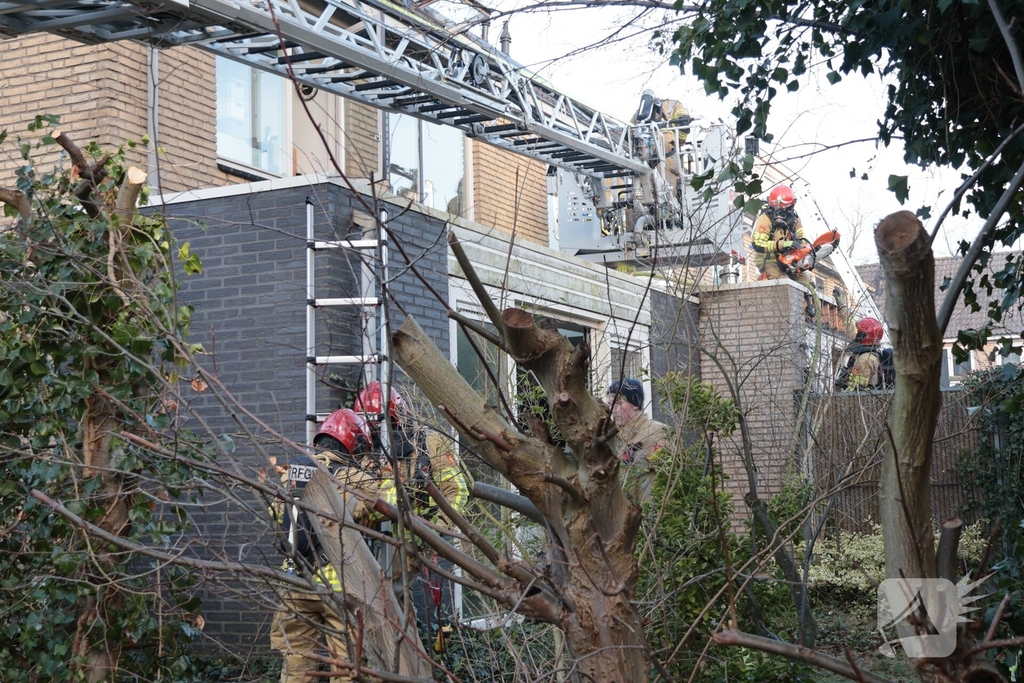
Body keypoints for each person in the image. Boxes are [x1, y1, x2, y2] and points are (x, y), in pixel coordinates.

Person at [353, 381, 469, 649]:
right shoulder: (367, 451)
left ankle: (397, 660)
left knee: (386, 600)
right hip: (372, 540)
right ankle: (407, 663)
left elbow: (457, 490)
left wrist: (435, 530)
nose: (376, 433)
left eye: (381, 425)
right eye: (369, 427)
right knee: (394, 608)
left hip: (411, 539)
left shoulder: (429, 443)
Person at [270, 408, 377, 683]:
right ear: (354, 444)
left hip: (295, 583)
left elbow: (276, 516)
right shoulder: (353, 478)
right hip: (339, 589)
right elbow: (388, 504)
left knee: (296, 667)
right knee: (345, 669)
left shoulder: (291, 475)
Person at [605, 378, 669, 498]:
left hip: (652, 513)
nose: (613, 410)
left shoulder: (655, 432)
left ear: (634, 404)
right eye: (610, 404)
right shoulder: (614, 439)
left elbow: (669, 476)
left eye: (618, 403)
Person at [751, 184, 812, 285]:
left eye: (782, 208)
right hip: (769, 261)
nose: (778, 211)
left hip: (789, 260)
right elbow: (757, 244)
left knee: (808, 282)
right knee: (784, 283)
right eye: (775, 207)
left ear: (791, 206)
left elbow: (802, 239)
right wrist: (783, 244)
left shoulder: (795, 220)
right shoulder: (766, 218)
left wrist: (803, 249)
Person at [836, 317, 894, 391]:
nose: (857, 336)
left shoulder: (864, 359)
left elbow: (855, 390)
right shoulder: (871, 355)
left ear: (864, 336)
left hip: (861, 401)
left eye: (859, 333)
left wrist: (841, 397)